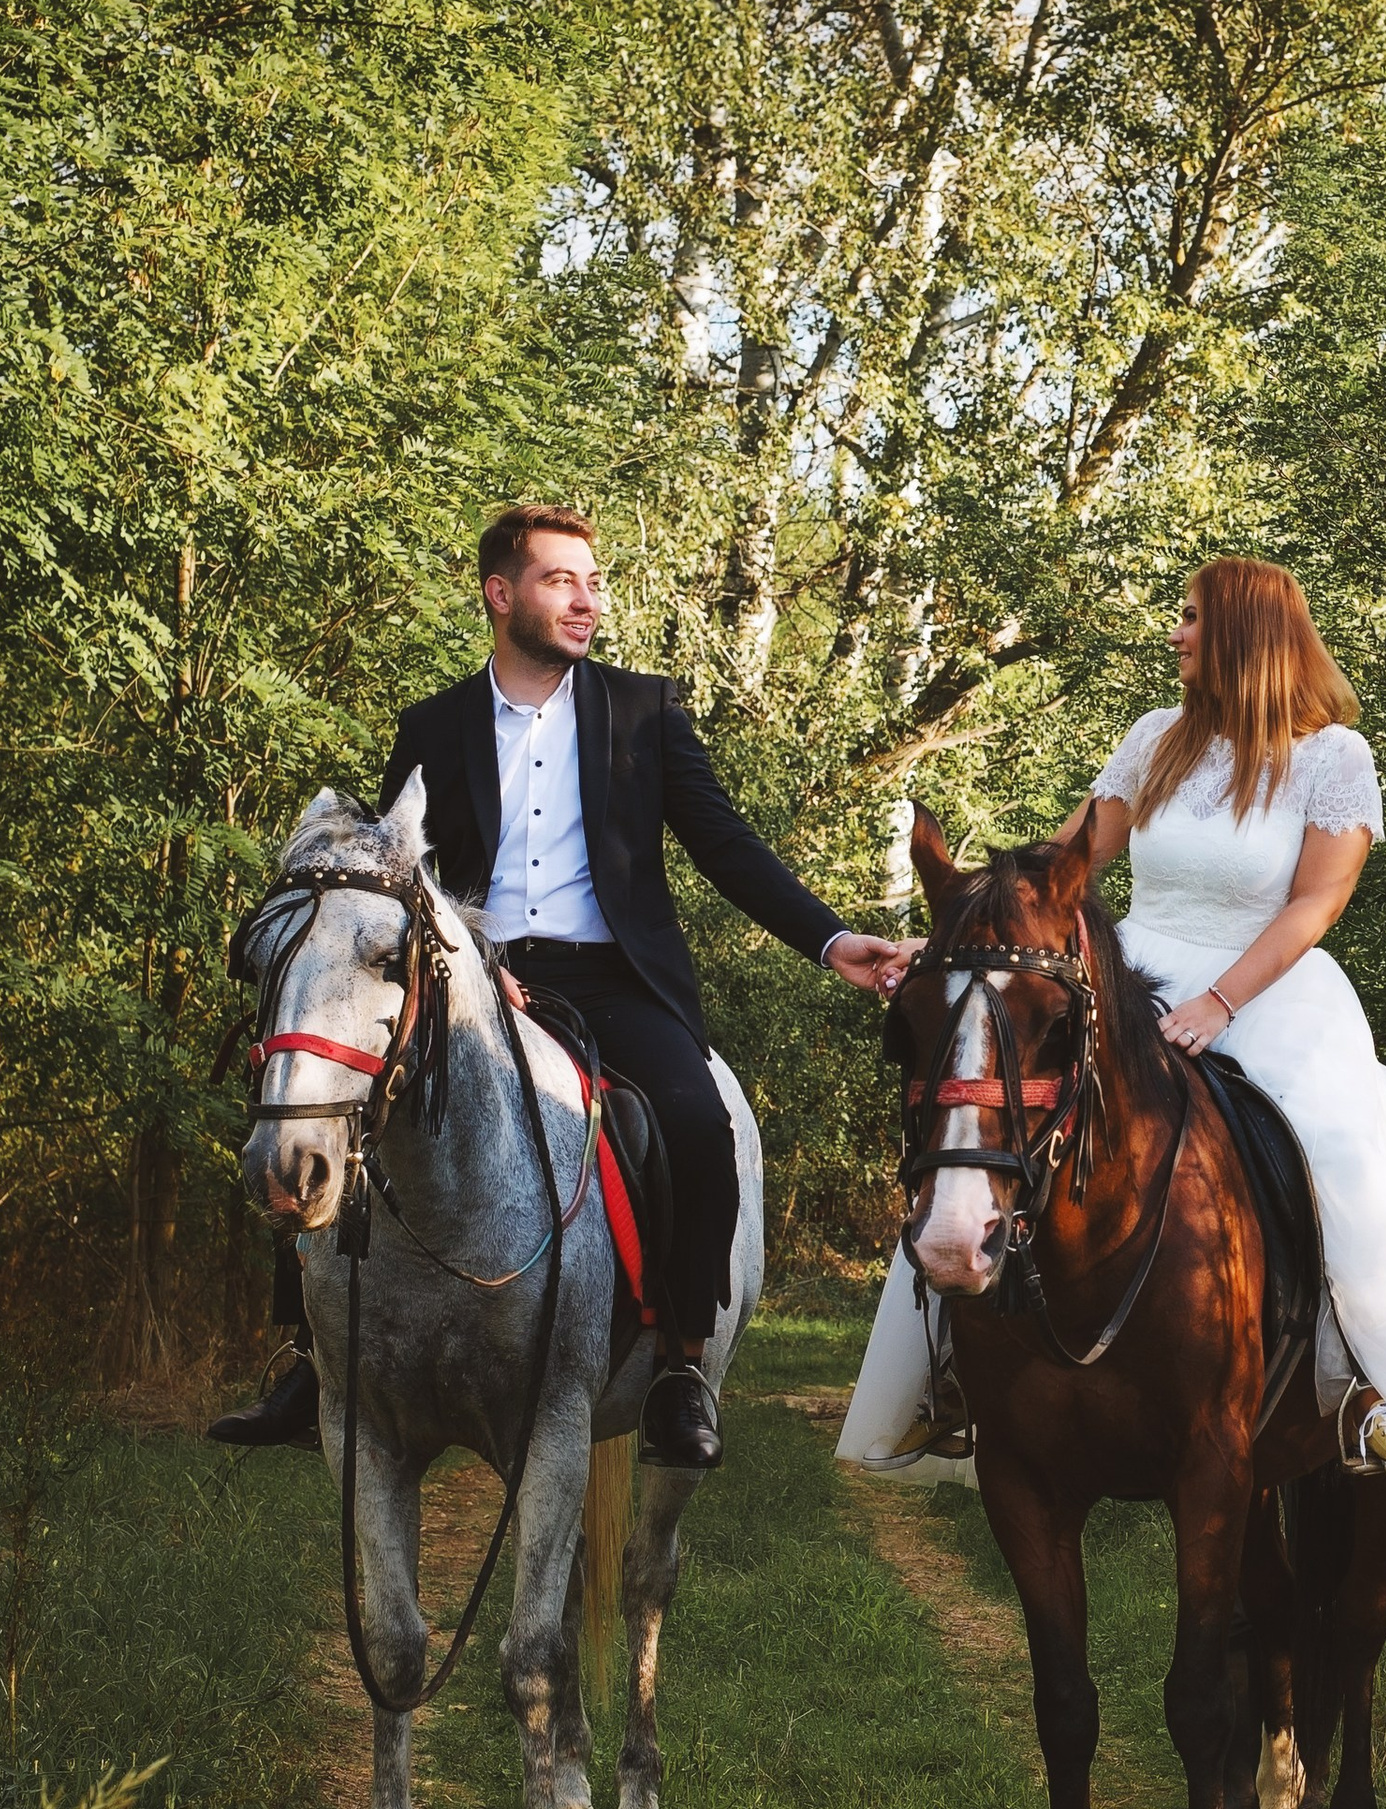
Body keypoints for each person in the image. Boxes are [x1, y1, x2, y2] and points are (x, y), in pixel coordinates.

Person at [838, 557, 1386, 1563]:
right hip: (1140, 973)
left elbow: (1313, 904)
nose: (1175, 634)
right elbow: (1062, 862)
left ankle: (1376, 1391)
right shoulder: (1154, 742)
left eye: (1191, 619)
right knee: (1003, 1118)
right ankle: (953, 1374)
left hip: (1269, 986)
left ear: (1244, 632)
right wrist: (962, 934)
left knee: (1341, 1142)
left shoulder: (1333, 757)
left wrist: (1221, 1000)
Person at [210, 504, 908, 1469]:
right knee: (324, 1090)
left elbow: (725, 846)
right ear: (502, 595)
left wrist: (831, 941)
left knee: (699, 1125)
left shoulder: (644, 712)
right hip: (473, 981)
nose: (587, 601)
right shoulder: (434, 727)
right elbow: (398, 872)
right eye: (561, 581)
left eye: (593, 582)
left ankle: (679, 1368)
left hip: (616, 981)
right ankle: (310, 1357)